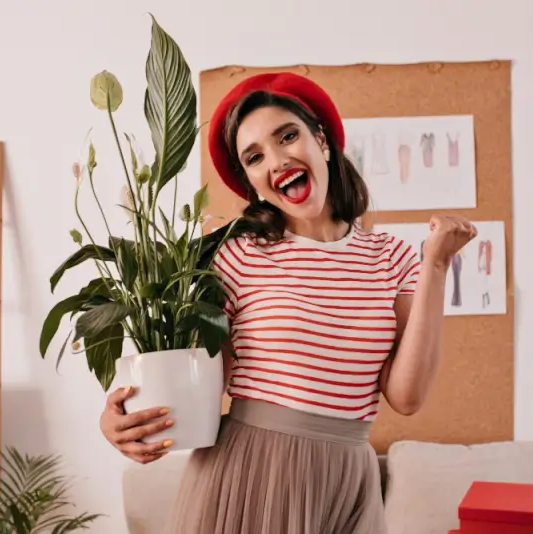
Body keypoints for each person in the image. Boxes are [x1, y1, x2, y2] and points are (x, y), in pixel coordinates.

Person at [99, 72, 477, 533]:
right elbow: (195, 380)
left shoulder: (392, 258)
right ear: (252, 183)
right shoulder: (236, 256)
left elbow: (406, 396)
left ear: (321, 140)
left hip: (348, 481)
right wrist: (119, 420)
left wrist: (436, 265)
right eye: (255, 157)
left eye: (288, 136)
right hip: (251, 477)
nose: (277, 160)